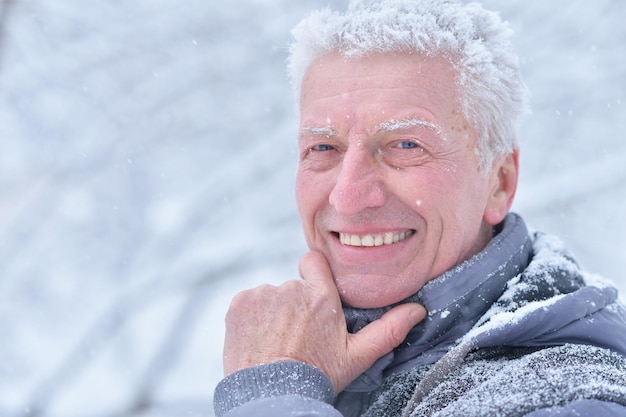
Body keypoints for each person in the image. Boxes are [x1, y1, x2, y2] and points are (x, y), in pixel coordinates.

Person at [213, 0, 626, 416]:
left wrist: (271, 394)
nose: (348, 197)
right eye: (323, 147)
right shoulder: (313, 364)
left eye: (406, 145)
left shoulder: (568, 395)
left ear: (499, 182)